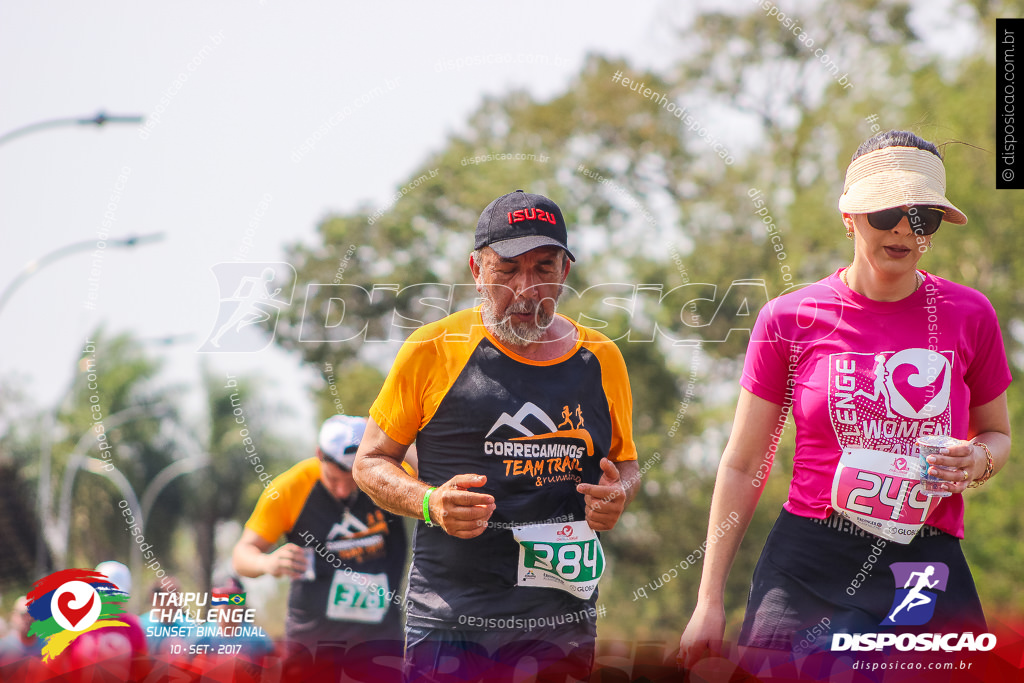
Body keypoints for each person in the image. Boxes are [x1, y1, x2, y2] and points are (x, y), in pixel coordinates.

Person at [679, 131, 1012, 667]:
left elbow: (997, 434)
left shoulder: (969, 313)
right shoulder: (788, 319)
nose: (904, 228)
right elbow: (742, 466)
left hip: (922, 561)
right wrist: (708, 601)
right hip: (808, 560)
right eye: (886, 214)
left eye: (922, 217)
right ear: (850, 217)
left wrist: (977, 459)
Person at [352, 189, 640, 681]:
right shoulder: (432, 349)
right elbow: (370, 462)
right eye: (507, 270)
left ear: (564, 273)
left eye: (543, 268)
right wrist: (430, 504)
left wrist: (619, 493)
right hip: (451, 618)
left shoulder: (601, 357)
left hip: (559, 619)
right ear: (477, 271)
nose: (526, 288)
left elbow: (626, 465)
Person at [232, 415, 410, 658]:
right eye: (334, 479)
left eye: (354, 481)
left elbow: (429, 471)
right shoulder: (289, 489)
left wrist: (388, 430)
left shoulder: (387, 476)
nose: (343, 490)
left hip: (380, 645)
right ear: (319, 454)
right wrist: (267, 562)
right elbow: (241, 556)